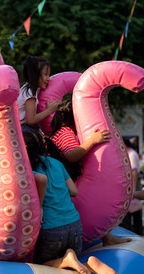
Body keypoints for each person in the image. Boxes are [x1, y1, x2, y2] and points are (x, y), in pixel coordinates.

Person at [23, 129, 119, 274]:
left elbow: (41, 179)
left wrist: (40, 204)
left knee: (39, 265)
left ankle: (65, 259)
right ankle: (87, 263)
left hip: (51, 229)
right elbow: (74, 191)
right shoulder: (56, 163)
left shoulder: (27, 169)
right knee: (73, 267)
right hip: (74, 225)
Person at [49, 100, 130, 246]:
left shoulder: (62, 131)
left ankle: (107, 236)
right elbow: (71, 154)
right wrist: (93, 141)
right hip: (64, 181)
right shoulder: (64, 131)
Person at [17, 56, 59, 131]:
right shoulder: (30, 92)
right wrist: (49, 110)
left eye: (49, 75)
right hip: (20, 129)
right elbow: (31, 120)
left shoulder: (31, 89)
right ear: (35, 75)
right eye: (46, 74)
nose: (48, 79)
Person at [120, 137, 143, 235]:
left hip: (132, 186)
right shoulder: (131, 154)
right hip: (131, 186)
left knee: (133, 211)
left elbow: (134, 172)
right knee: (134, 210)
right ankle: (135, 232)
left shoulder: (132, 154)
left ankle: (133, 232)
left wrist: (132, 189)